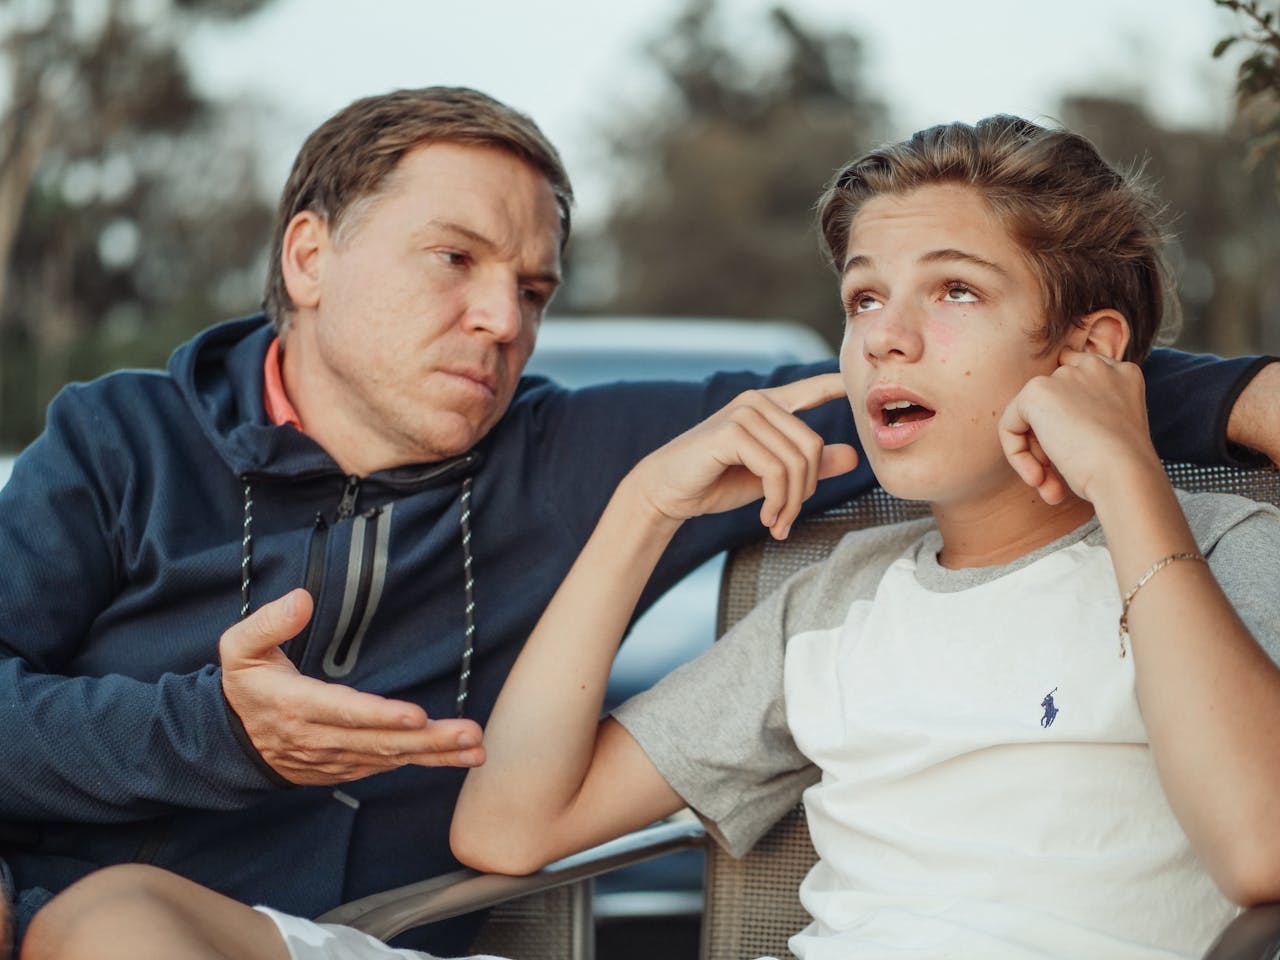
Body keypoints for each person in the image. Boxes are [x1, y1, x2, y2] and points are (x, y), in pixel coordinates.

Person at [4, 95, 1279, 960]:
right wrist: (216, 734)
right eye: (454, 261)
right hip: (141, 915)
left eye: (534, 287)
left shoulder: (568, 450)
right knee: (101, 922)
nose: (502, 320)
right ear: (309, 258)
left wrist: (1218, 404)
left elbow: (953, 389)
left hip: (408, 923)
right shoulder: (119, 442)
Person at [449, 116, 1280, 959]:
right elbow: (509, 826)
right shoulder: (835, 601)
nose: (884, 336)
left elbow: (1263, 853)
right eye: (865, 298)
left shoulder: (1222, 551)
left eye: (956, 290)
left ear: (1089, 354)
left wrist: (1127, 474)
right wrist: (643, 510)